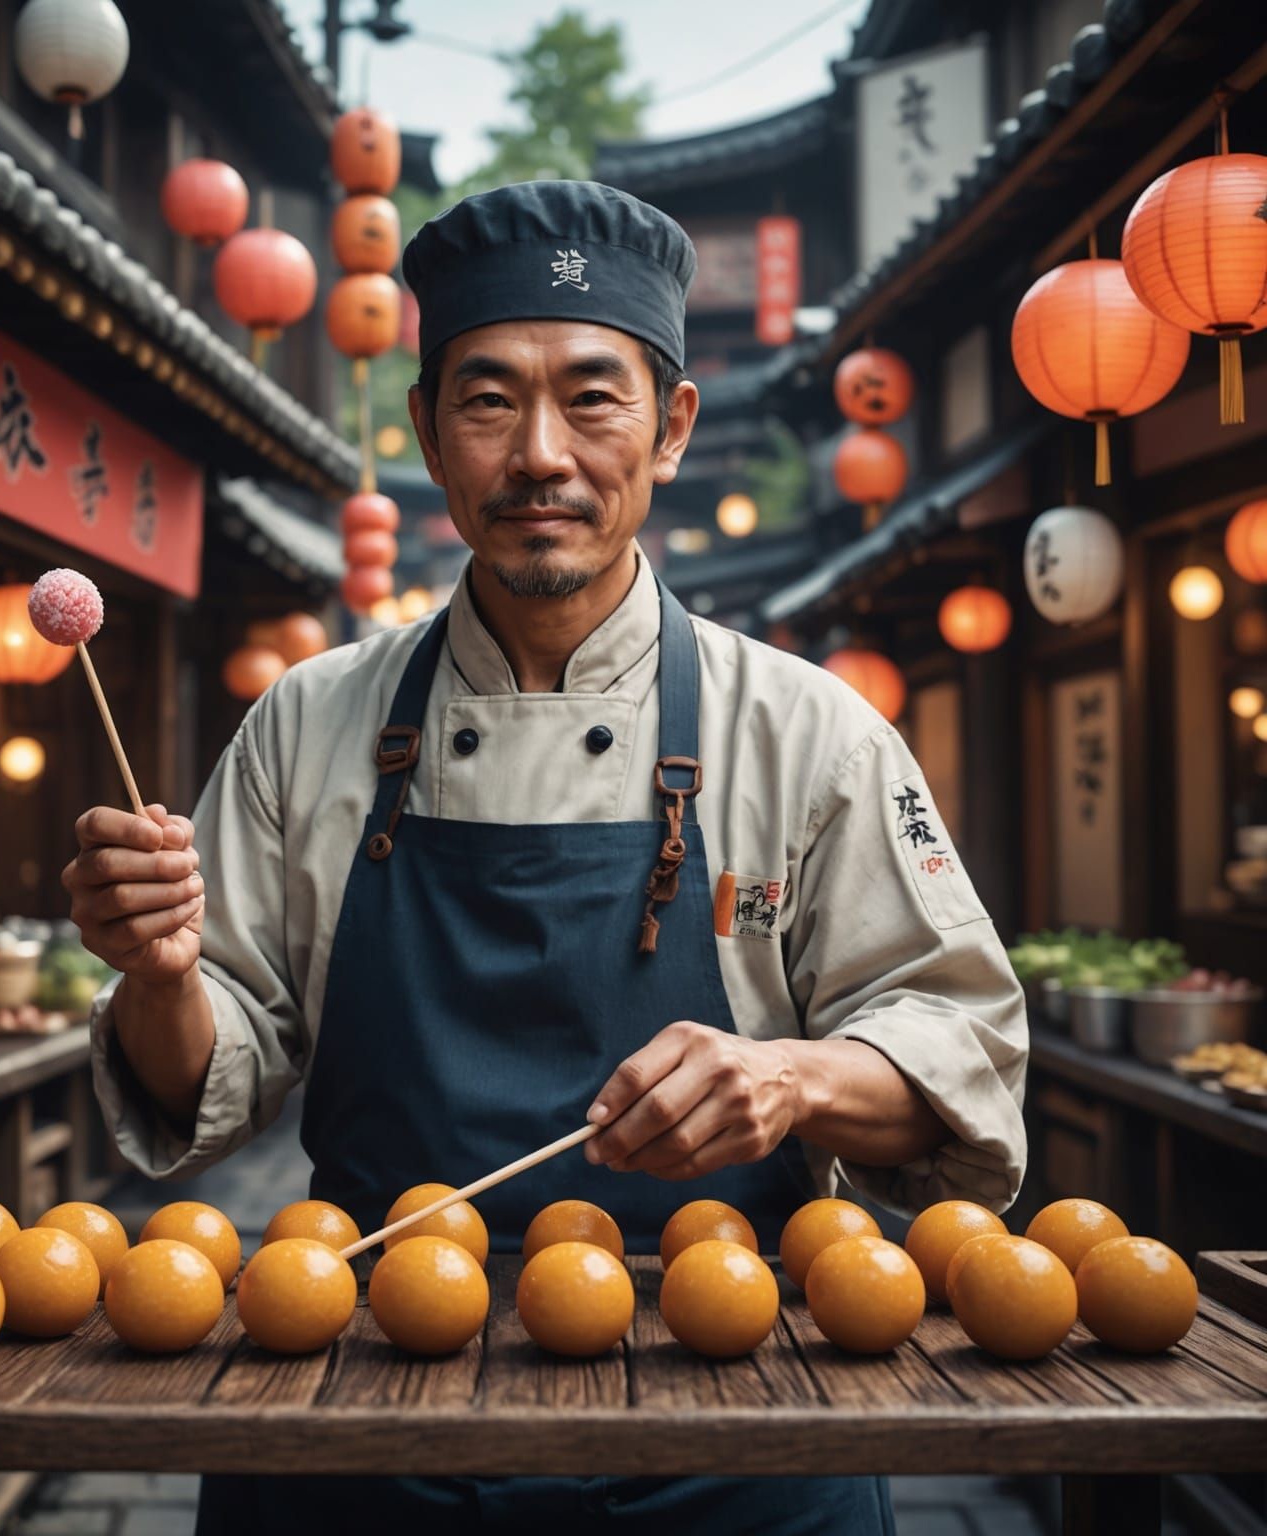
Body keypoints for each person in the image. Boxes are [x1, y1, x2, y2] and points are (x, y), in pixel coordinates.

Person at [65, 180, 1028, 1534]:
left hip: (736, 1425)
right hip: (356, 1411)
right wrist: (163, 976)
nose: (539, 454)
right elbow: (207, 1077)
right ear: (427, 434)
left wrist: (793, 1076)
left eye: (592, 396)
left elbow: (961, 1045)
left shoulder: (811, 731)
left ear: (674, 426)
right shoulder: (308, 721)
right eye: (486, 399)